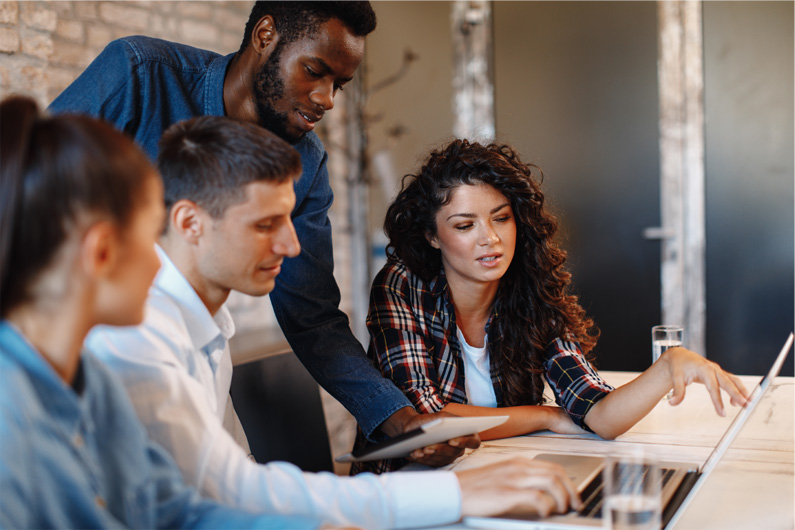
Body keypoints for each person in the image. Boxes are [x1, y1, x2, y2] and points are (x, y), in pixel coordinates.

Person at [85, 115, 581, 529]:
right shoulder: (137, 336)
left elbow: (238, 481)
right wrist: (454, 493)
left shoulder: (203, 323)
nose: (291, 246)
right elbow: (229, 490)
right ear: (189, 223)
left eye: (289, 219)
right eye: (266, 225)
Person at [48, 0, 468, 463]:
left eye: (339, 85)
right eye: (314, 71)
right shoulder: (141, 76)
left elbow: (311, 313)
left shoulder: (306, 161)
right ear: (265, 35)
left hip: (196, 369)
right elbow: (25, 198)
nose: (327, 99)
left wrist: (397, 418)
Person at [0, 96, 319, 529]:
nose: (160, 261)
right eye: (151, 233)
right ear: (102, 252)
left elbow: (172, 509)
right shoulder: (10, 417)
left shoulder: (92, 383)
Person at [354, 139, 751, 474]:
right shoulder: (402, 285)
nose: (490, 238)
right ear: (432, 236)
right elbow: (427, 422)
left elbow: (599, 414)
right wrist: (545, 416)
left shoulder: (528, 289)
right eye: (465, 225)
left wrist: (667, 367)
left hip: (499, 475)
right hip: (405, 490)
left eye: (501, 218)